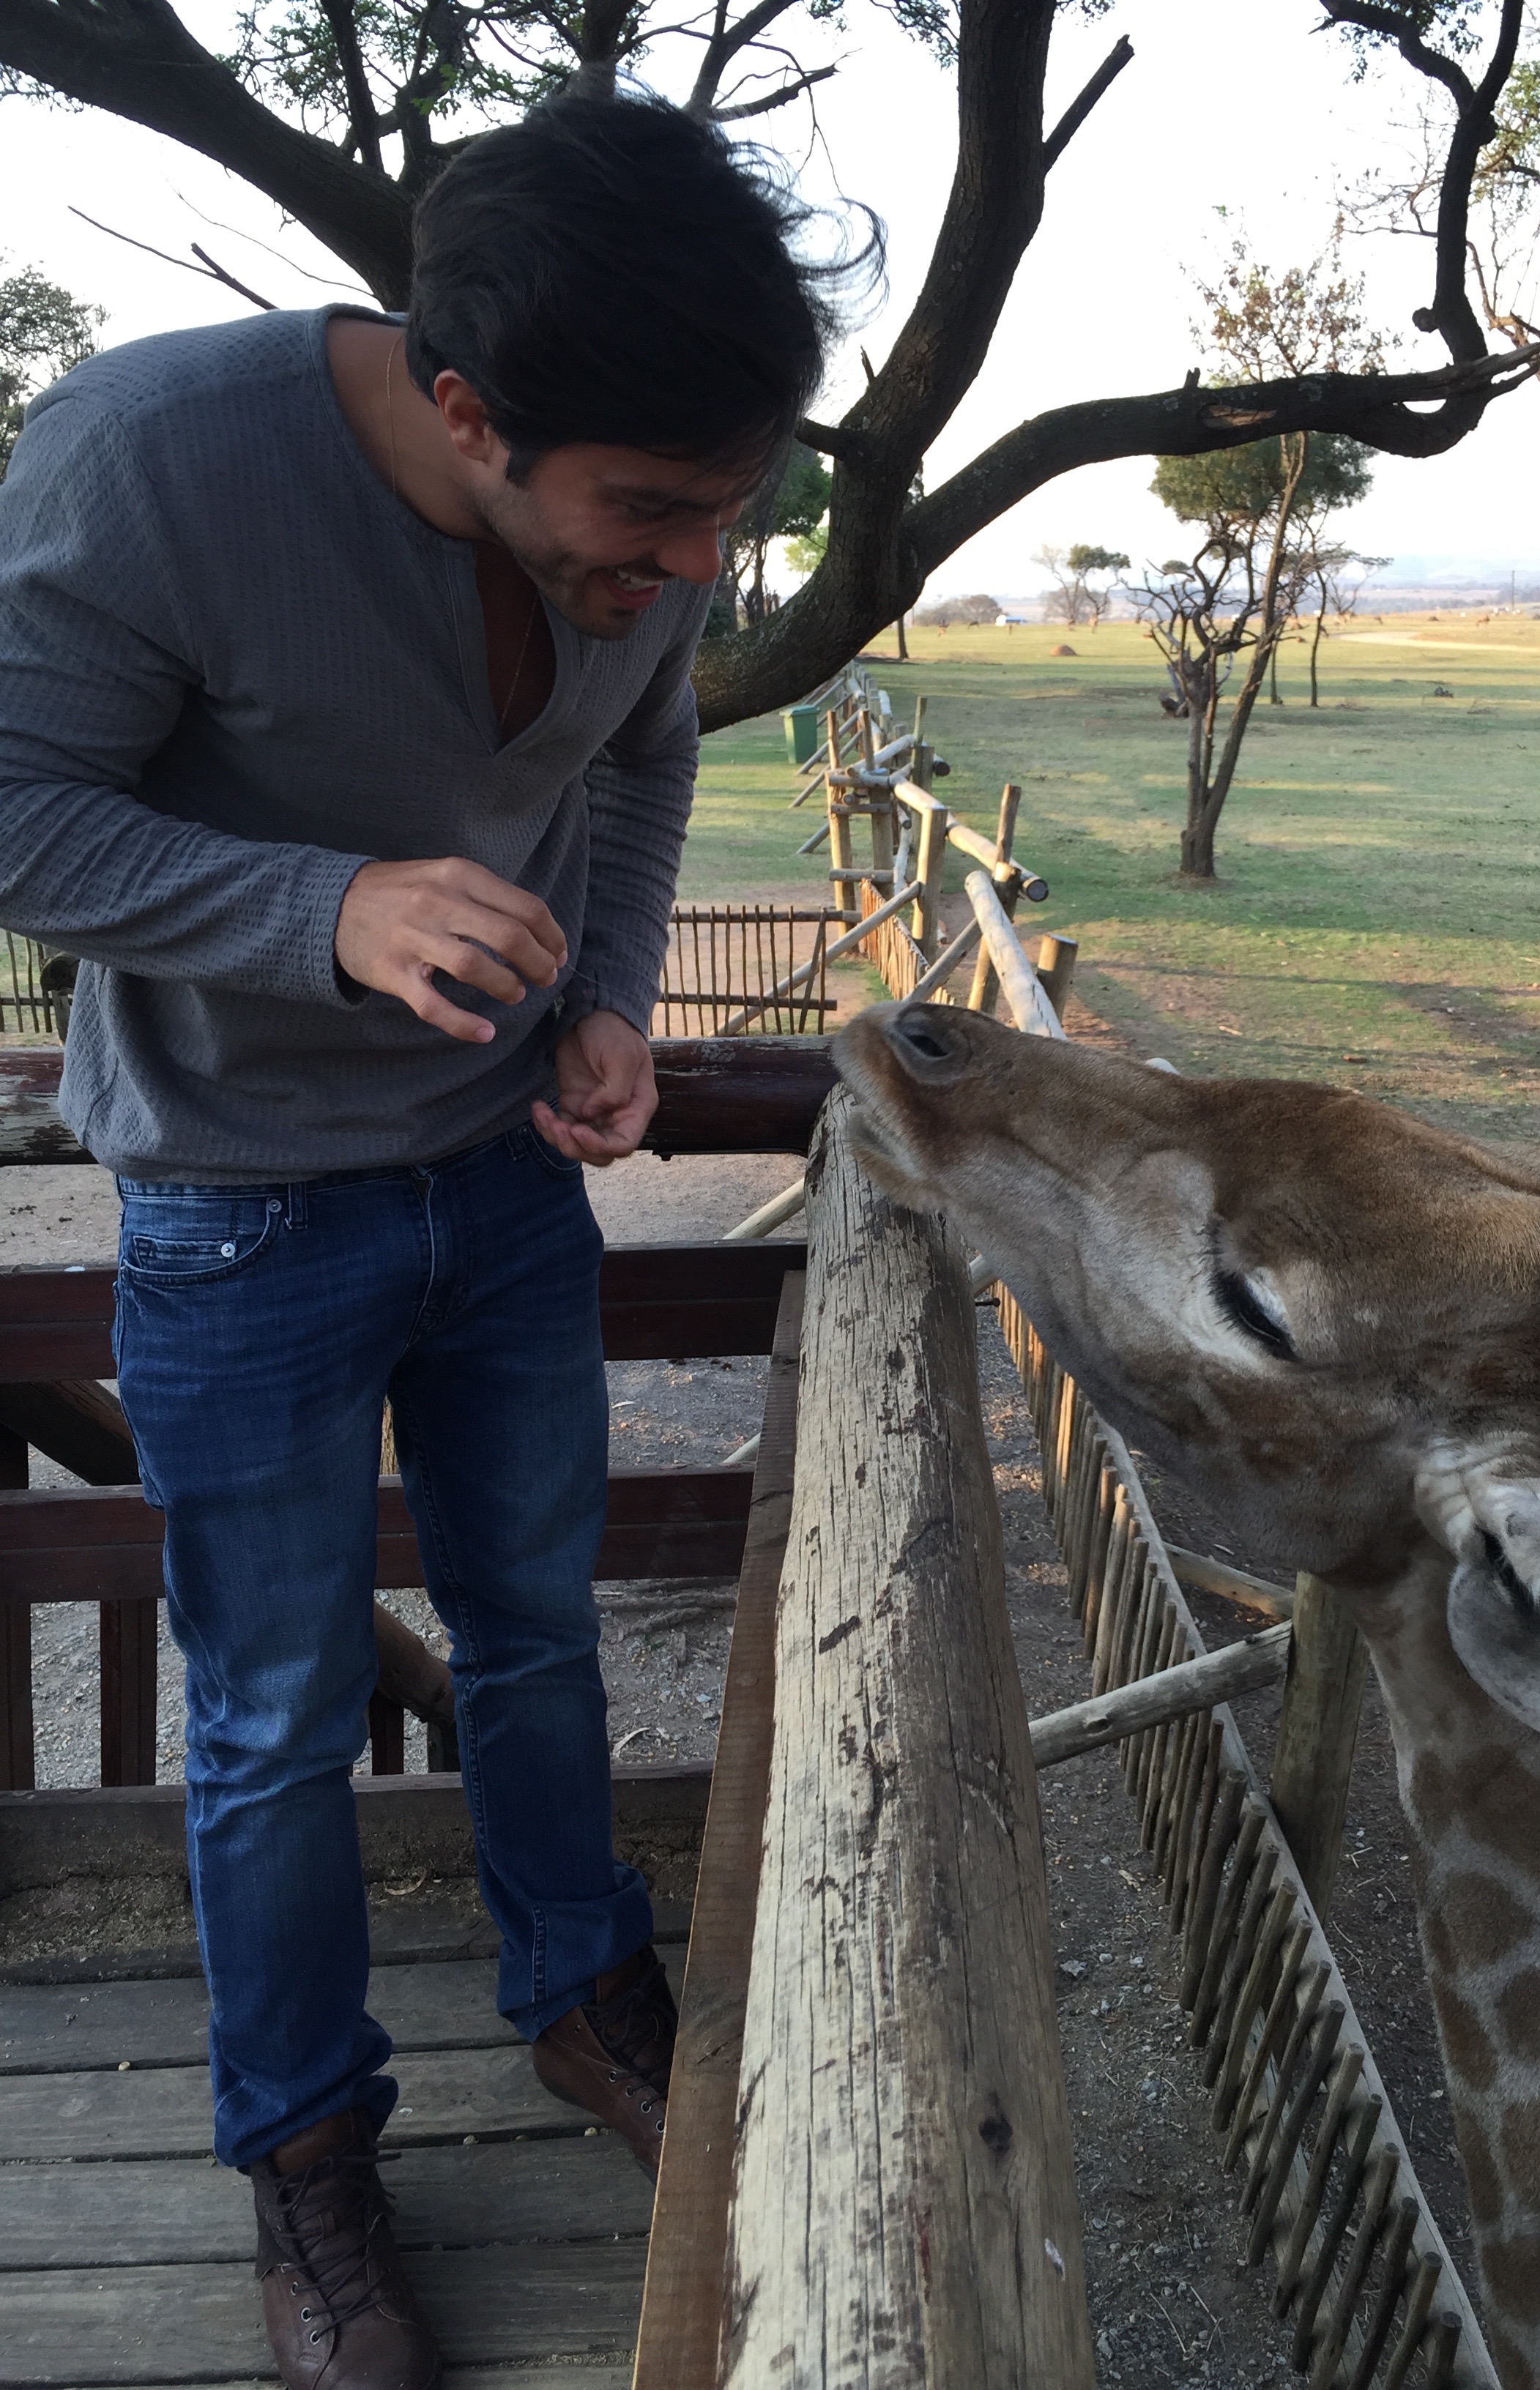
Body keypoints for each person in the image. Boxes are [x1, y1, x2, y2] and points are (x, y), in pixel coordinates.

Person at [0, 84, 871, 2390]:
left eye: (734, 509)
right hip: (232, 1217)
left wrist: (604, 1000)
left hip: (504, 1185)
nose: (701, 564)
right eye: (658, 515)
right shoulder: (150, 460)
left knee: (538, 1638)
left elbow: (650, 749)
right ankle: (304, 2164)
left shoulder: (651, 535)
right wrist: (329, 908)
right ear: (467, 411)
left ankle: (584, 1995)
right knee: (275, 1723)